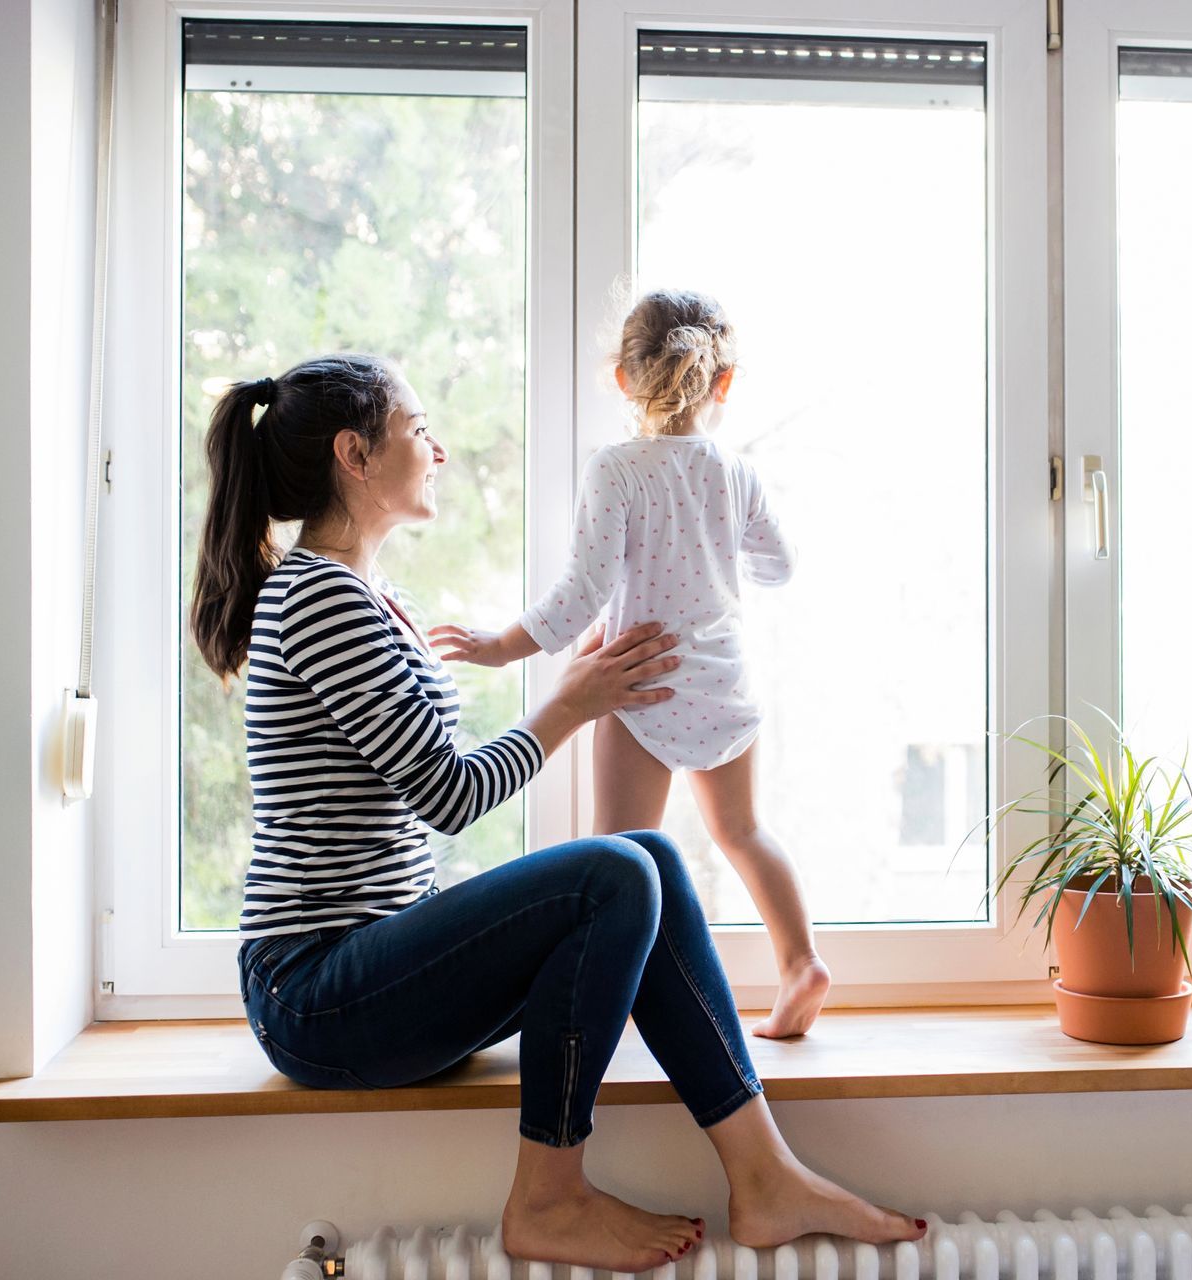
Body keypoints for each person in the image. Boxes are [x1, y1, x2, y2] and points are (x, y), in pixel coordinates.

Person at [188, 353, 924, 1270]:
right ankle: (548, 1196)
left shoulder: (370, 597)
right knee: (613, 870)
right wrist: (570, 704)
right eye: (419, 430)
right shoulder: (321, 599)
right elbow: (448, 793)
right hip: (315, 992)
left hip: (372, 965)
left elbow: (418, 777)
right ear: (355, 455)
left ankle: (764, 1174)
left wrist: (571, 690)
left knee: (646, 856)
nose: (439, 449)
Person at [435, 290, 830, 1038]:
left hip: (639, 683)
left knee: (617, 860)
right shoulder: (733, 471)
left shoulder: (615, 471)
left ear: (621, 378)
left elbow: (580, 595)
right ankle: (800, 961)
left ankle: (613, 1007)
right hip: (723, 681)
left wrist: (497, 647)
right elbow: (780, 565)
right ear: (725, 382)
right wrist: (717, 548)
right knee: (744, 832)